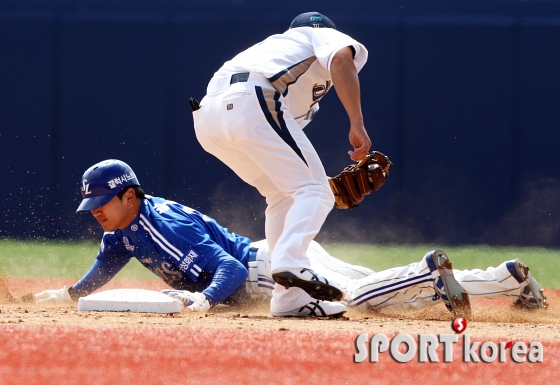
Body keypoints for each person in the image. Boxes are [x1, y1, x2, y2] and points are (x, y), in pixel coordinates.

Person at [35, 159, 548, 318]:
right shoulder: (127, 228)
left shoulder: (163, 225)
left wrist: (202, 301)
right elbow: (108, 259)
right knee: (383, 290)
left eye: (100, 204)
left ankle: (427, 270)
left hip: (269, 268)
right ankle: (506, 278)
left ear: (129, 197)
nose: (94, 214)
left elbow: (231, 271)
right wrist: (74, 293)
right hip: (278, 260)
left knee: (365, 301)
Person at [191, 11, 373, 315]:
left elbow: (281, 155)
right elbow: (342, 59)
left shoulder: (278, 62)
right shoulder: (315, 36)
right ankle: (292, 264)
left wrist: (318, 189)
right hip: (252, 97)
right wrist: (357, 123)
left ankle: (289, 298)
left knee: (284, 196)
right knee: (313, 192)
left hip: (208, 119)